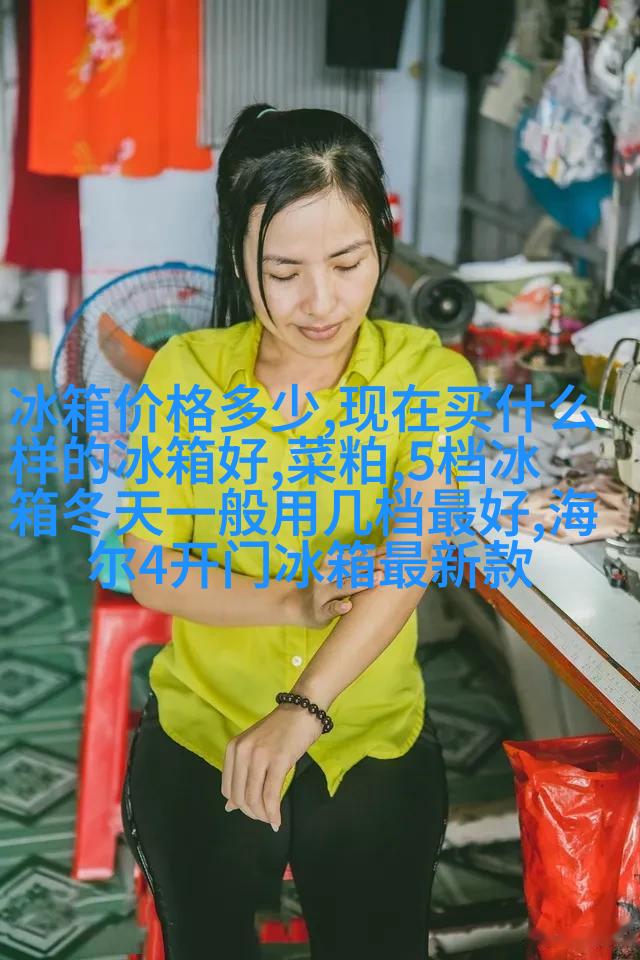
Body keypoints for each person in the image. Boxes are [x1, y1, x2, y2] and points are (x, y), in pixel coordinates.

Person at [121, 103, 478, 960]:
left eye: (348, 263)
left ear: (382, 244)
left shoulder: (429, 377)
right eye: (284, 271)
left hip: (368, 727)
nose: (322, 302)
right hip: (205, 723)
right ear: (239, 258)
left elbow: (413, 556)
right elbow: (151, 569)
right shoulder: (186, 375)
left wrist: (303, 708)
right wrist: (289, 601)